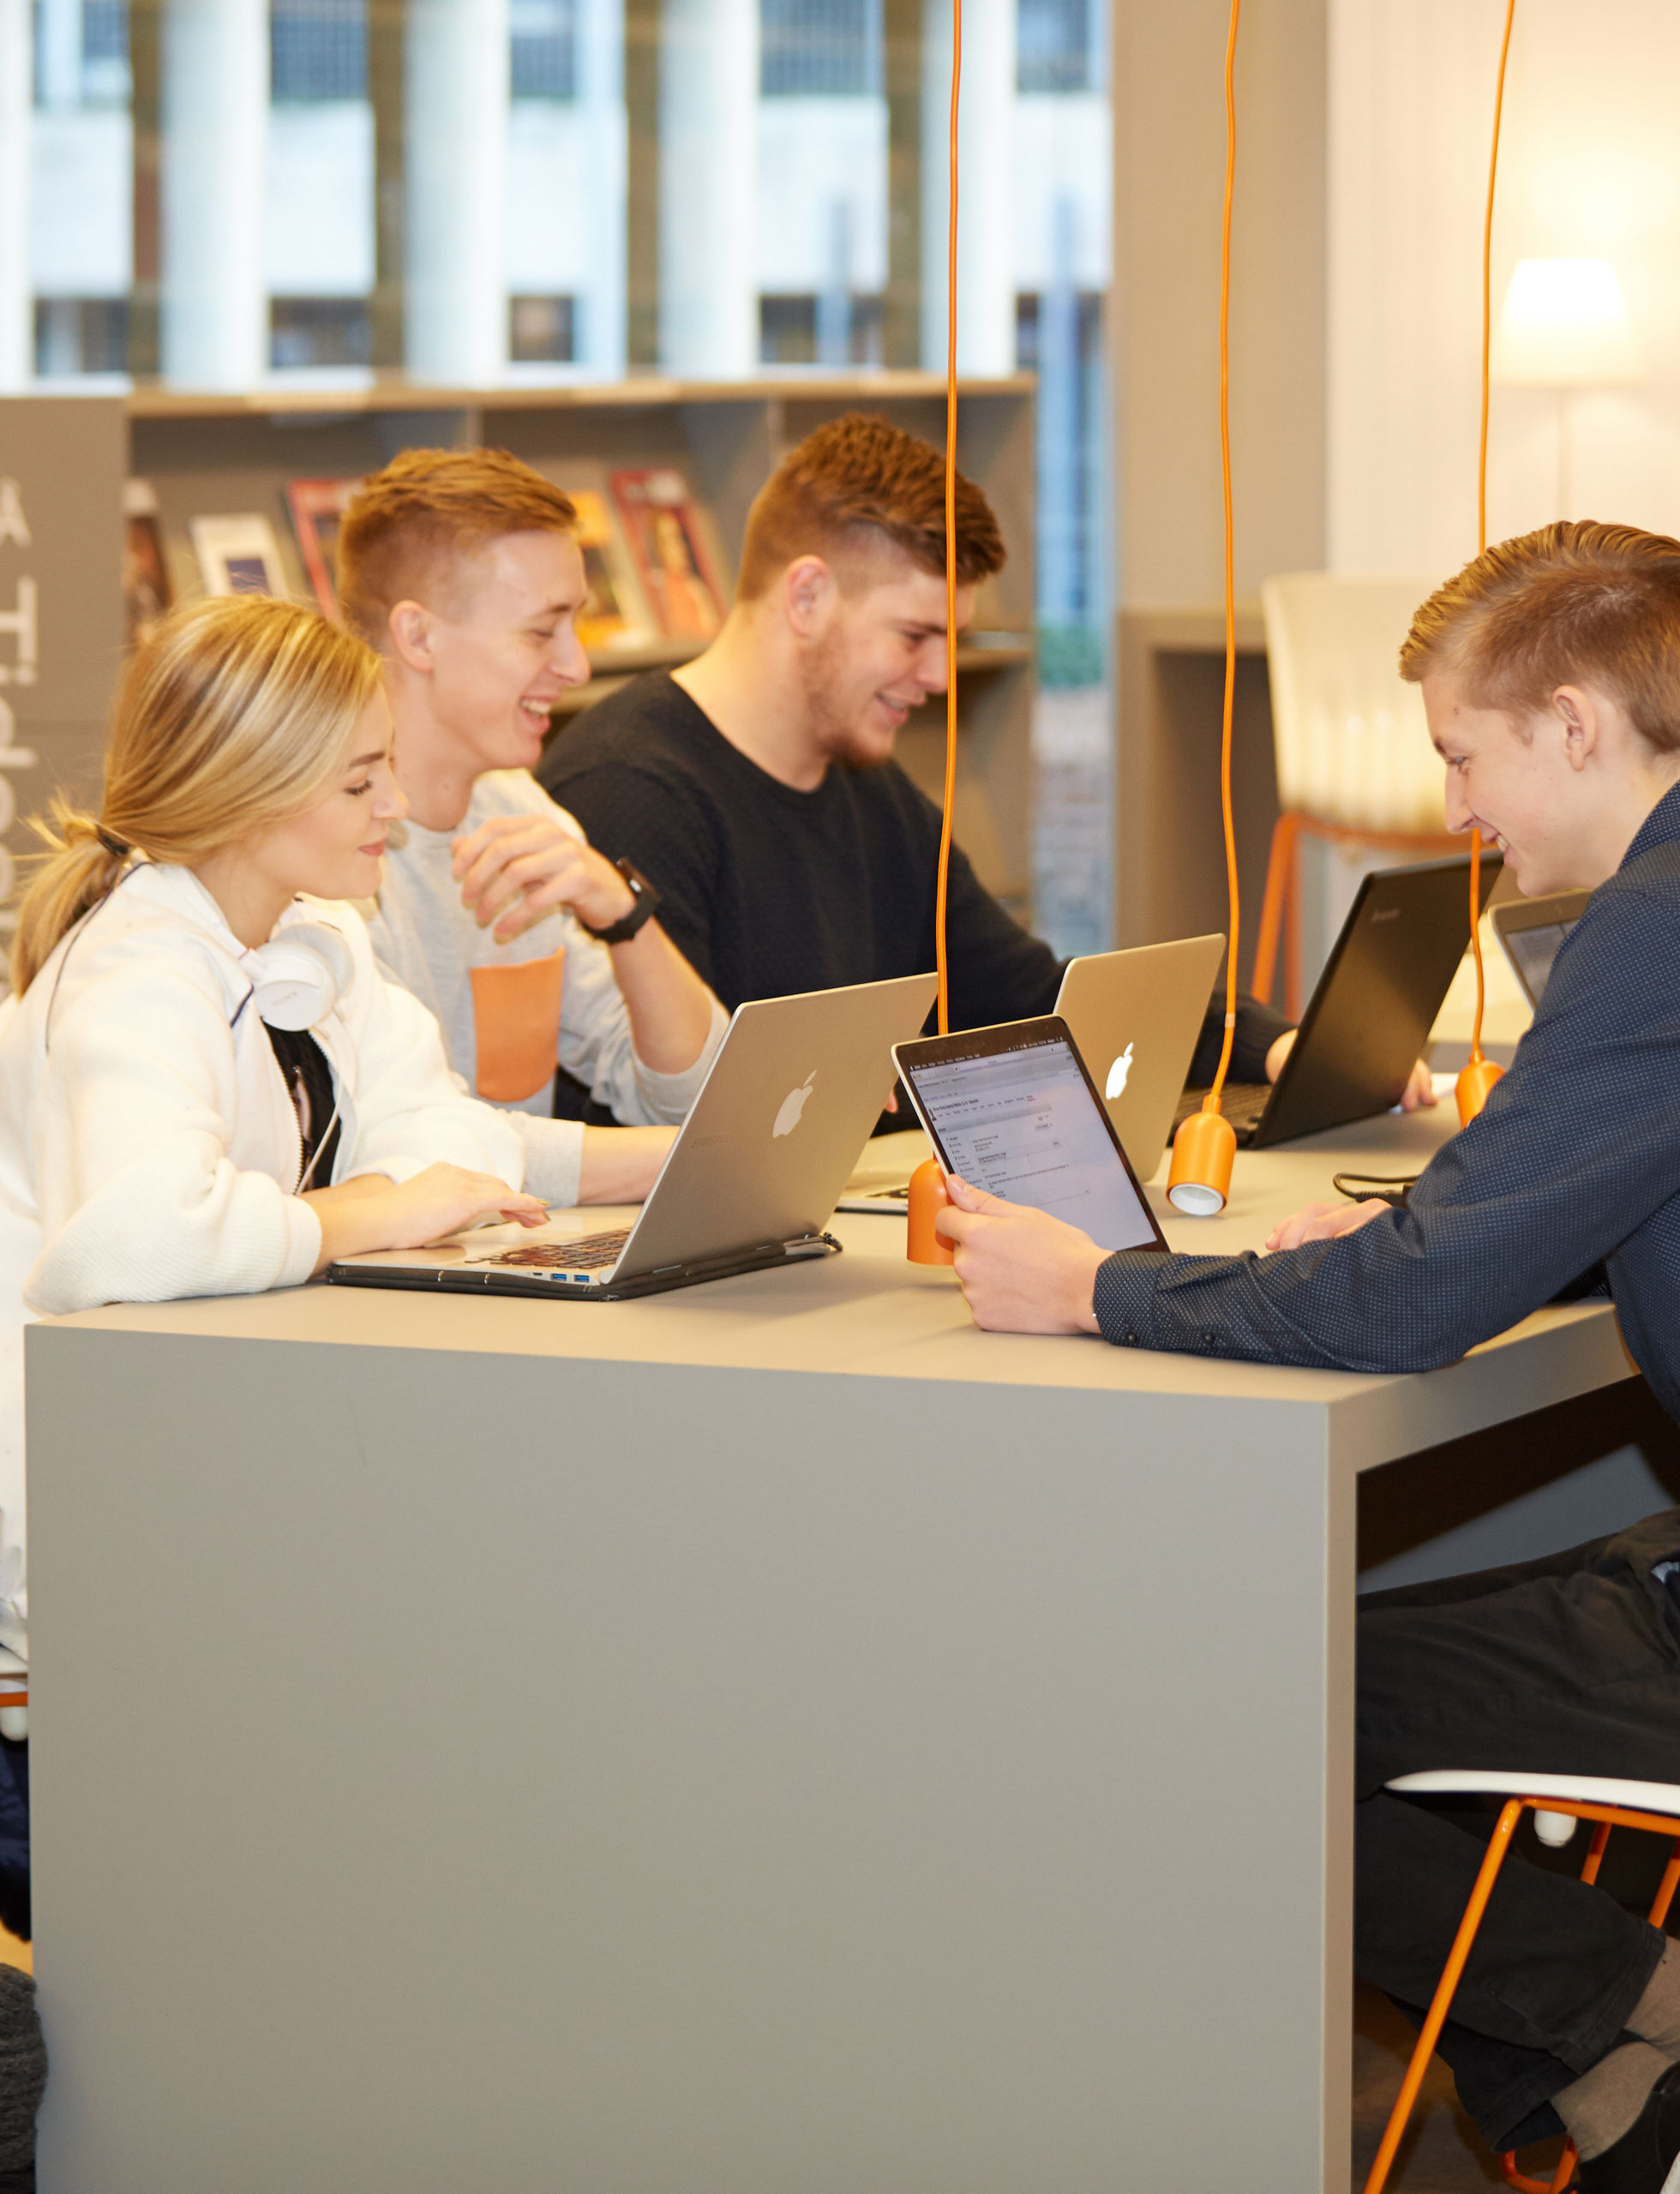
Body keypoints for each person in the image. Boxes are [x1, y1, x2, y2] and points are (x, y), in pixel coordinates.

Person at [929, 522, 1680, 2193]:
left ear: (1572, 725)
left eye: (1464, 754)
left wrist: (1101, 1285)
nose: (1454, 805)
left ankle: (1652, 2008)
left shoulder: (1670, 931)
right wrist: (1442, 1234)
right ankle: (1634, 2066)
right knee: (1354, 1638)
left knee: (1217, 1689)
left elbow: (1408, 1311)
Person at [0, 596, 574, 1964]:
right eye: (360, 782)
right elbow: (143, 1235)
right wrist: (364, 1209)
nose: (397, 810)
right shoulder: (137, 971)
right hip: (64, 1598)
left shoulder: (314, 939)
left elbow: (453, 1138)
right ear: (248, 792)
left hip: (182, 1518)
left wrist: (394, 1191)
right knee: (162, 1969)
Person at [539, 415, 1356, 1105]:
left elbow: (1033, 1004)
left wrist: (1272, 1045)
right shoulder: (625, 794)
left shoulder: (870, 789)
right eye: (915, 636)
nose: (938, 678)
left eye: (951, 642)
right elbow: (661, 1109)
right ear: (806, 596)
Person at [340, 448, 729, 1212]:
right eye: (540, 633)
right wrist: (720, 1155)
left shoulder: (523, 813)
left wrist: (625, 915)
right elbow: (415, 1142)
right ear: (418, 637)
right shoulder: (327, 855)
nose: (577, 666)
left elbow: (689, 1097)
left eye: (574, 626)